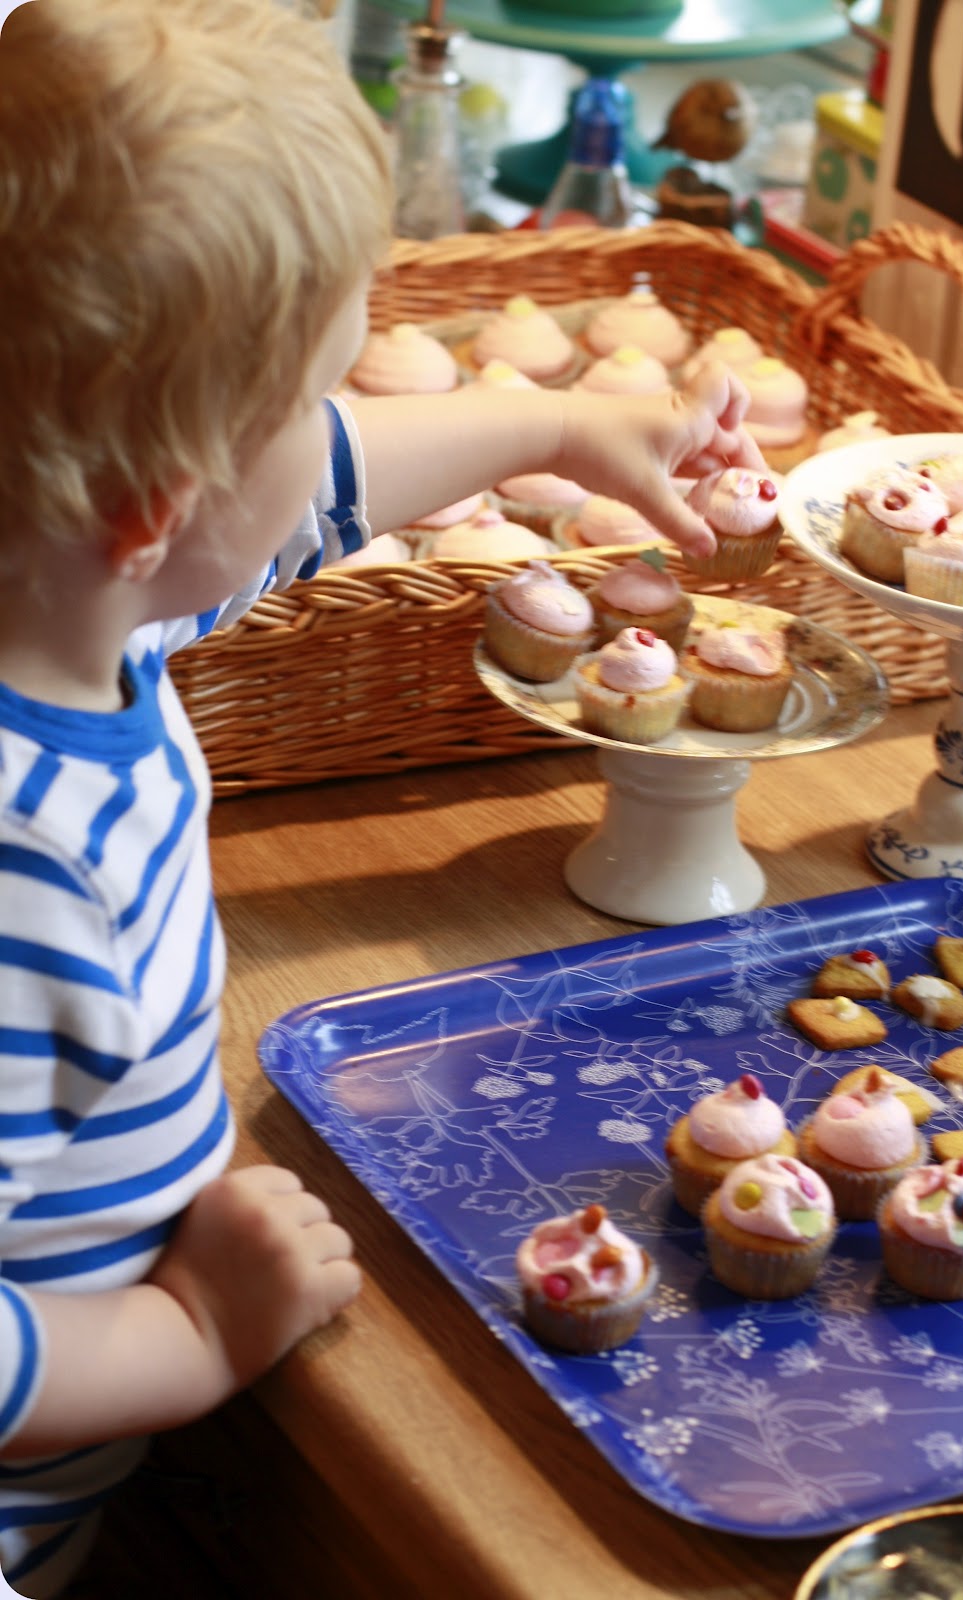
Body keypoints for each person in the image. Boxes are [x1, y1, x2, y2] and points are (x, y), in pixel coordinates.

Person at [0, 0, 762, 1593]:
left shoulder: (70, 595)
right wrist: (189, 1333)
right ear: (155, 511)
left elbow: (310, 490)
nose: (334, 428)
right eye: (310, 394)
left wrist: (562, 422)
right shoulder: (25, 861)